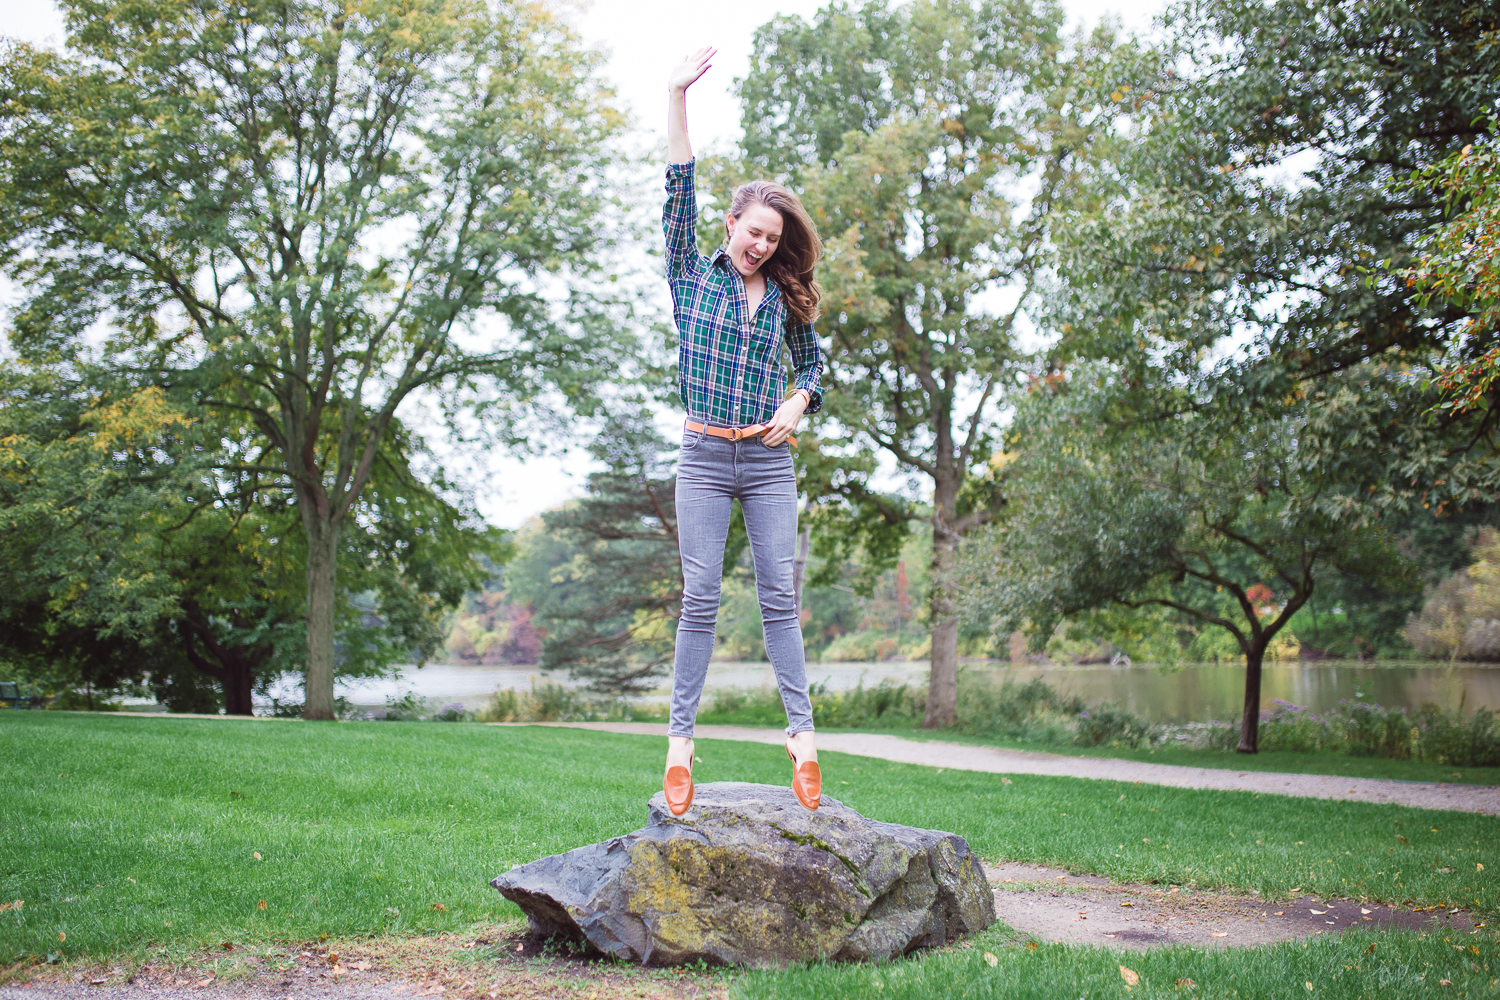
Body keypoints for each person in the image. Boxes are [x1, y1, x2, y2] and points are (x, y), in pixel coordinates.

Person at [661, 46, 824, 816]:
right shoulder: (691, 275)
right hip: (701, 455)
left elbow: (814, 370)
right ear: (730, 224)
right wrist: (677, 95)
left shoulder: (787, 297)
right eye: (753, 231)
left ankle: (802, 739)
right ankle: (681, 745)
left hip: (764, 461)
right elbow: (678, 182)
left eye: (771, 236)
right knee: (699, 600)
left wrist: (799, 405)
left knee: (776, 600)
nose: (761, 244)